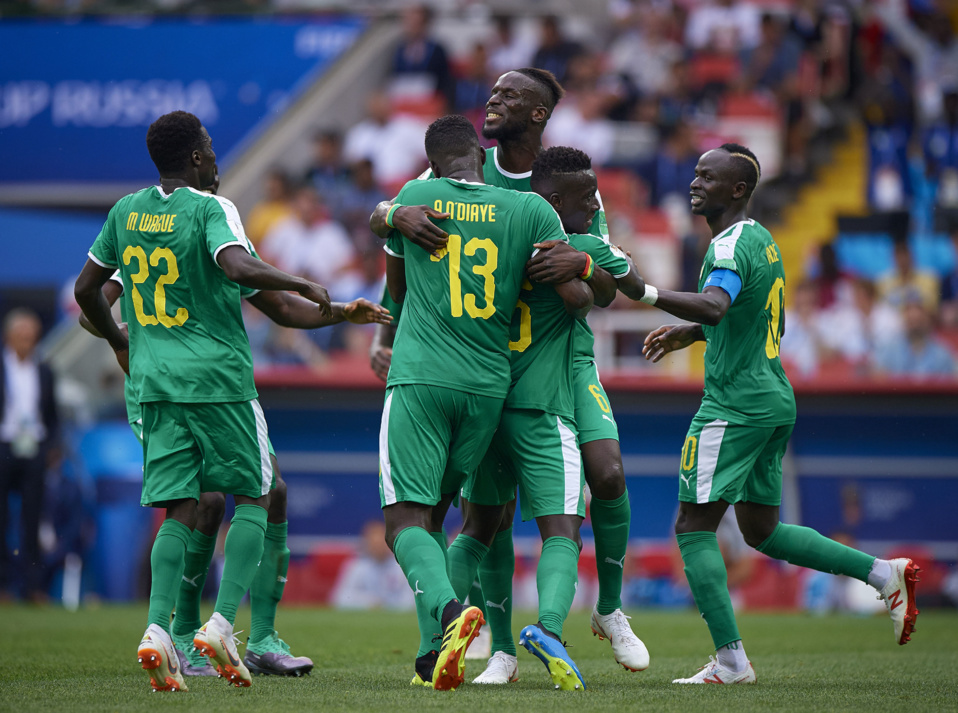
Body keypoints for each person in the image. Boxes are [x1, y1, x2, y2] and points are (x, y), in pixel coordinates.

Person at [368, 68, 648, 682]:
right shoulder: (464, 171)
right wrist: (392, 217)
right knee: (480, 517)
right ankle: (493, 645)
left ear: (540, 115)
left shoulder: (568, 179)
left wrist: (583, 262)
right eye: (492, 92)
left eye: (510, 95)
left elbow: (599, 288)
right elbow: (392, 218)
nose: (493, 100)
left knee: (607, 472)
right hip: (491, 366)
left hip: (555, 359)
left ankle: (610, 608)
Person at [79, 167, 391, 679]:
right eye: (209, 154)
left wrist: (339, 312)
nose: (217, 166)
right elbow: (98, 308)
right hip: (204, 382)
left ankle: (241, 637)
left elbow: (282, 310)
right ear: (198, 161)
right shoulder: (208, 215)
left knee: (262, 491)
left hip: (160, 385)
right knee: (224, 496)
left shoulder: (162, 221)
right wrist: (121, 338)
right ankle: (200, 632)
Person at [640, 143, 920, 684]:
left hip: (734, 404)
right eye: (695, 174)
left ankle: (730, 661)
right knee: (762, 530)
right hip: (771, 398)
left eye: (707, 176)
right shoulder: (762, 241)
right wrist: (691, 334)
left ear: (738, 190)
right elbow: (767, 321)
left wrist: (644, 289)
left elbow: (718, 305)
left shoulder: (727, 245)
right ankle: (884, 574)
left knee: (692, 526)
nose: (694, 183)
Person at [379, 114, 577, 691]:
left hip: (421, 377)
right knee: (441, 513)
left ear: (436, 163)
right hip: (491, 385)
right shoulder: (531, 210)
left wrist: (392, 214)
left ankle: (448, 618)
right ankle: (427, 658)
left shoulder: (417, 196)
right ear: (480, 158)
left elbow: (396, 290)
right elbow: (573, 295)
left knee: (404, 520)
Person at [445, 146, 610, 691]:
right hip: (543, 404)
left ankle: (446, 633)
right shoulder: (565, 242)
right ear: (555, 201)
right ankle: (550, 629)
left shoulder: (484, 232)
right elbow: (587, 298)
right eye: (586, 199)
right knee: (561, 529)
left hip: (484, 399)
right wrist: (581, 262)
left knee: (478, 529)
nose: (594, 206)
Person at [0, 308, 58, 603]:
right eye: (22, 336)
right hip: (5, 445)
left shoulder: (44, 369)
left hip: (33, 447)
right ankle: (4, 586)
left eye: (31, 336)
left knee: (34, 518)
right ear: (8, 337)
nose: (27, 341)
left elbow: (52, 414)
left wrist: (52, 447)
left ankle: (33, 587)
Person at [330, 520, 413, 610]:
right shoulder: (355, 567)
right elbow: (339, 599)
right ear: (366, 543)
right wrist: (369, 602)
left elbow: (411, 600)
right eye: (374, 542)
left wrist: (388, 607)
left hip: (396, 616)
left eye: (381, 542)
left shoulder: (403, 567)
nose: (378, 546)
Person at [872, 296, 956, 378]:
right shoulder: (888, 350)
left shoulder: (943, 353)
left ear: (928, 319)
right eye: (911, 321)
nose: (914, 322)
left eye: (918, 321)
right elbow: (878, 378)